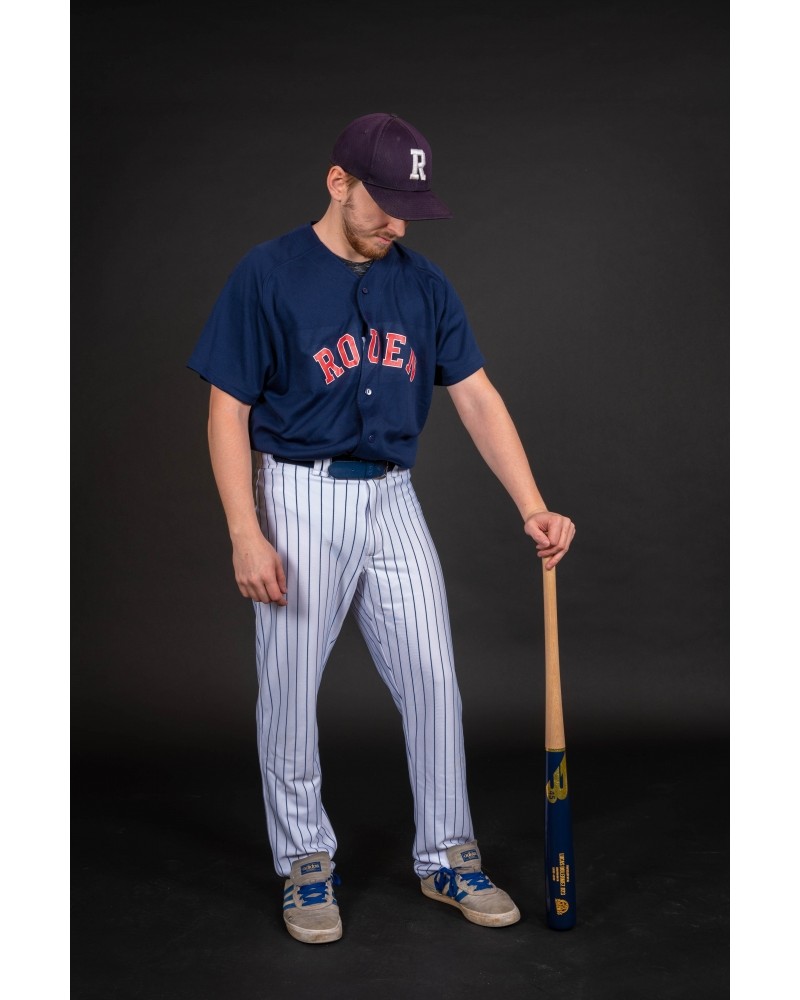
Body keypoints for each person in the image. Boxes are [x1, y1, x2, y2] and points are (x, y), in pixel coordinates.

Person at [187, 112, 576, 945]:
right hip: (300, 495)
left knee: (433, 680)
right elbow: (227, 411)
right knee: (290, 690)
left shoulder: (424, 283)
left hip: (394, 498)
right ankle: (305, 862)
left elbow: (476, 396)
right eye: (385, 202)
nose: (398, 222)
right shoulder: (268, 273)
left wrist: (531, 503)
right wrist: (244, 531)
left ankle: (447, 856)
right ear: (339, 183)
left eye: (411, 206)